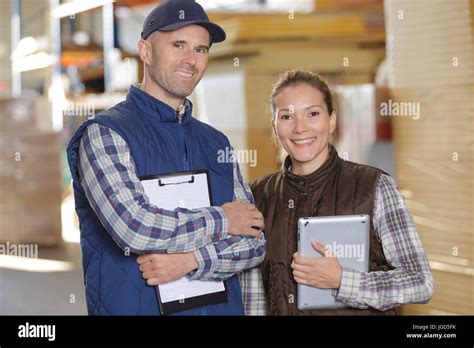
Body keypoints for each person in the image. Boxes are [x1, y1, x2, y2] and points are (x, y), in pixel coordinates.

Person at [66, 0, 265, 316]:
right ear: (145, 51)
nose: (191, 59)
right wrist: (224, 219)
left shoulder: (216, 142)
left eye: (201, 50)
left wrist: (192, 261)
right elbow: (135, 227)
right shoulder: (105, 134)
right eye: (178, 45)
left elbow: (253, 242)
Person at [245, 69, 433, 315]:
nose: (300, 128)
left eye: (312, 114)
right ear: (275, 126)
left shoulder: (373, 186)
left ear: (331, 120)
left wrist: (343, 281)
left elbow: (420, 282)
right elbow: (254, 297)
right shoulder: (258, 195)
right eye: (287, 117)